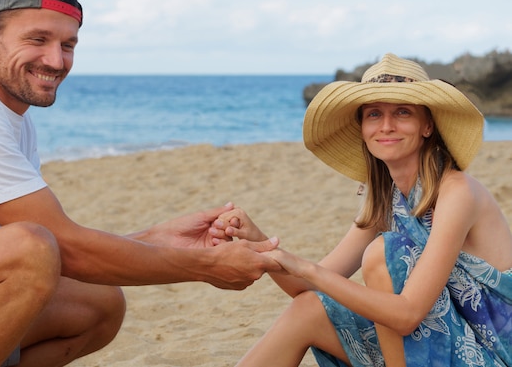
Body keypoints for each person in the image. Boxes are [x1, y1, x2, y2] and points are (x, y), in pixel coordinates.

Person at [0, 0, 282, 367]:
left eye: (68, 44)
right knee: (28, 246)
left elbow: (58, 251)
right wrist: (205, 267)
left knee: (99, 302)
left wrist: (157, 238)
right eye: (37, 39)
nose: (56, 60)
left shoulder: (9, 114)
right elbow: (55, 248)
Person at [212, 53, 512, 366]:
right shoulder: (387, 197)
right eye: (373, 114)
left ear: (427, 126)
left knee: (384, 252)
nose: (386, 125)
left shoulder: (457, 192)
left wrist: (307, 268)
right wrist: (260, 243)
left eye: (402, 112)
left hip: (490, 354)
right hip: (441, 345)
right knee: (309, 309)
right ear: (362, 128)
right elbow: (304, 286)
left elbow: (408, 315)